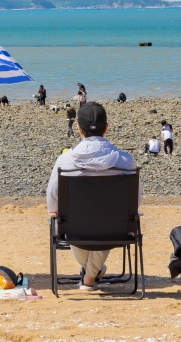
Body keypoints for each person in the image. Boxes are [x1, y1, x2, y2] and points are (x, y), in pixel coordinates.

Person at [46, 103, 139, 291]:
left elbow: (52, 199)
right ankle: (91, 274)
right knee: (106, 216)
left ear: (79, 129)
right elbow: (135, 200)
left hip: (74, 229)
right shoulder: (126, 161)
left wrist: (55, 212)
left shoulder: (65, 161)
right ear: (106, 128)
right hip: (116, 229)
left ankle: (90, 275)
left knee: (66, 217)